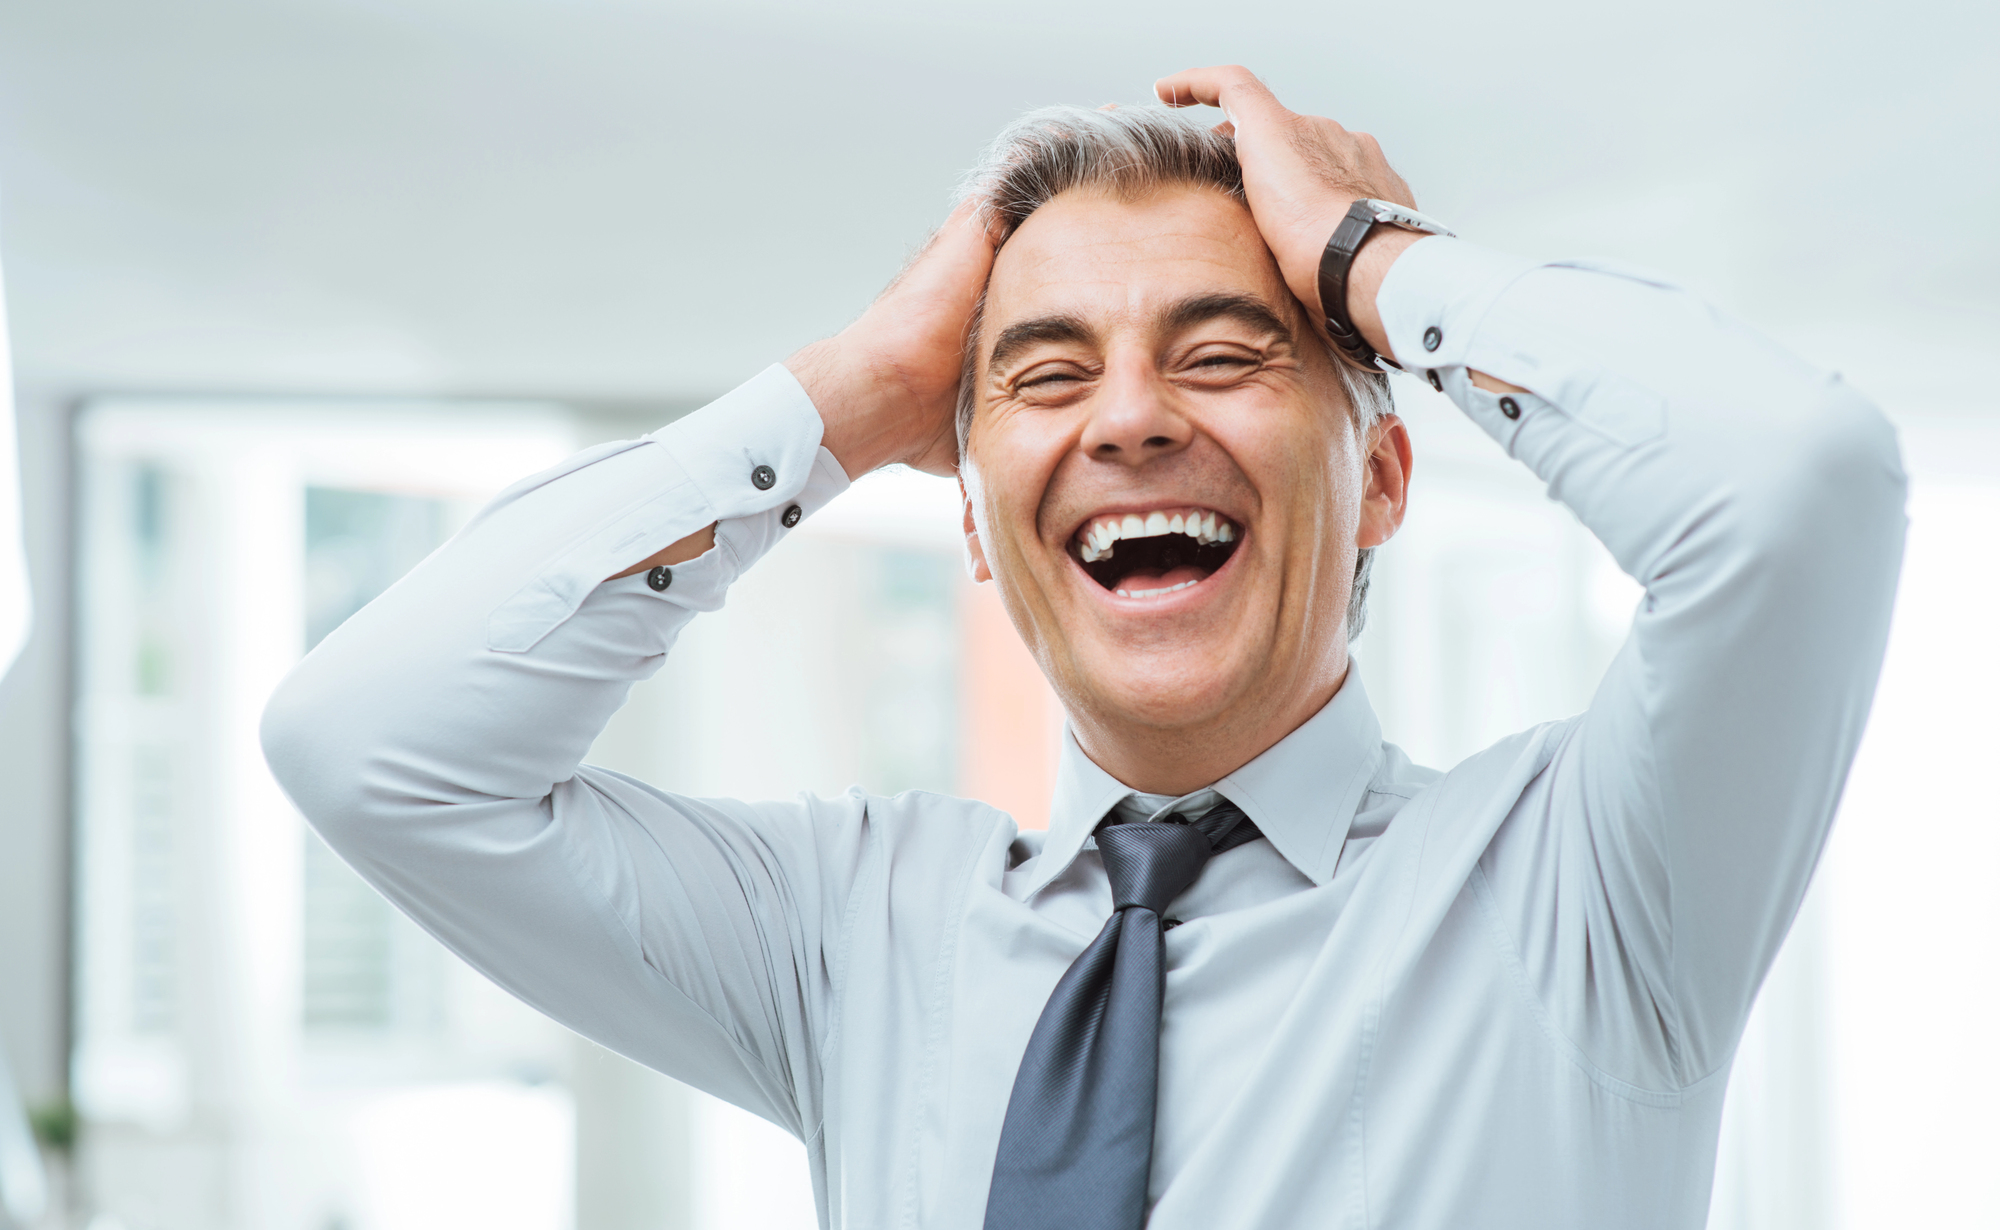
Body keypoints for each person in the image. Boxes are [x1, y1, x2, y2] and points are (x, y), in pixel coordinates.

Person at [262, 65, 1905, 1230]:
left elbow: (1795, 484)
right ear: (980, 525)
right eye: (1046, 378)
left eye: (1221, 351)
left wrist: (1369, 256)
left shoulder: (1592, 890)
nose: (1128, 416)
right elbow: (366, 746)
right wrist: (844, 397)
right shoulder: (852, 941)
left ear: (1385, 478)